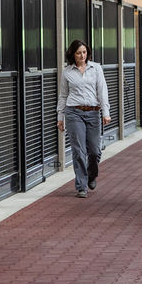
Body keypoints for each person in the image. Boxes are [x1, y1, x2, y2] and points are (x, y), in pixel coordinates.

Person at [57, 39, 111, 198]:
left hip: (93, 112)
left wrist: (106, 112)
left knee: (94, 150)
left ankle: (92, 174)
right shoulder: (67, 72)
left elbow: (102, 91)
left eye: (84, 52)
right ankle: (81, 186)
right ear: (73, 54)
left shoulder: (96, 69)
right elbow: (63, 96)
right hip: (74, 113)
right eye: (79, 53)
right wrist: (60, 117)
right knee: (78, 150)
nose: (82, 55)